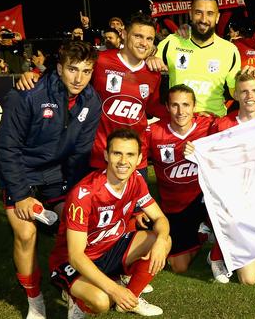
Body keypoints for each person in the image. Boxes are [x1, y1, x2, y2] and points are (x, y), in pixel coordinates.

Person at [0, 41, 101, 319]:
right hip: (20, 172)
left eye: (87, 71)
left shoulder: (91, 100)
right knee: (26, 233)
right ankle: (34, 299)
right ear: (59, 68)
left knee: (76, 227)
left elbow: (80, 154)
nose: (79, 78)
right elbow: (8, 148)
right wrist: (19, 195)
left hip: (56, 174)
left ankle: (74, 291)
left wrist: (78, 195)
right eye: (72, 70)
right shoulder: (28, 94)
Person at [17, 12, 166, 176]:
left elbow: (153, 108)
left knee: (136, 202)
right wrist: (36, 75)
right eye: (138, 36)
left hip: (135, 158)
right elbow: (68, 73)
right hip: (97, 154)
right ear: (123, 34)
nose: (144, 43)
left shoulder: (154, 73)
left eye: (149, 39)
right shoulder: (100, 60)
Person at [49, 128, 171, 318]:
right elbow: (75, 256)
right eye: (117, 153)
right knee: (102, 301)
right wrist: (115, 290)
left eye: (130, 154)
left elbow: (160, 218)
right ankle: (75, 298)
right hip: (73, 261)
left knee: (163, 240)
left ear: (139, 159)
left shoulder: (137, 181)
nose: (123, 161)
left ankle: (130, 301)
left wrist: (162, 239)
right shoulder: (84, 194)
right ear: (106, 155)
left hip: (108, 249)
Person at [185, 70, 255, 284]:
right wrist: (195, 153)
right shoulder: (223, 124)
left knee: (251, 276)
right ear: (236, 95)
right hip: (231, 199)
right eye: (244, 92)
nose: (250, 96)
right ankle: (217, 255)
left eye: (254, 91)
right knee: (249, 279)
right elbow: (210, 156)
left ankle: (234, 246)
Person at [146, 84, 214, 277]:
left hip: (204, 200)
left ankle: (212, 227)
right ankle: (202, 235)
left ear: (194, 107)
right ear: (167, 107)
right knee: (179, 266)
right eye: (175, 105)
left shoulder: (209, 125)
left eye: (186, 105)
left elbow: (236, 127)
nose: (181, 111)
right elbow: (138, 164)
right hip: (174, 208)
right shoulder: (153, 132)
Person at [153, 0, 241, 117]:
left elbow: (234, 92)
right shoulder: (172, 42)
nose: (204, 19)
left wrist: (248, 82)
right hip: (180, 122)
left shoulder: (230, 50)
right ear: (190, 14)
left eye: (210, 14)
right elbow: (145, 64)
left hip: (213, 125)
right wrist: (150, 56)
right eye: (198, 13)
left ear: (217, 18)